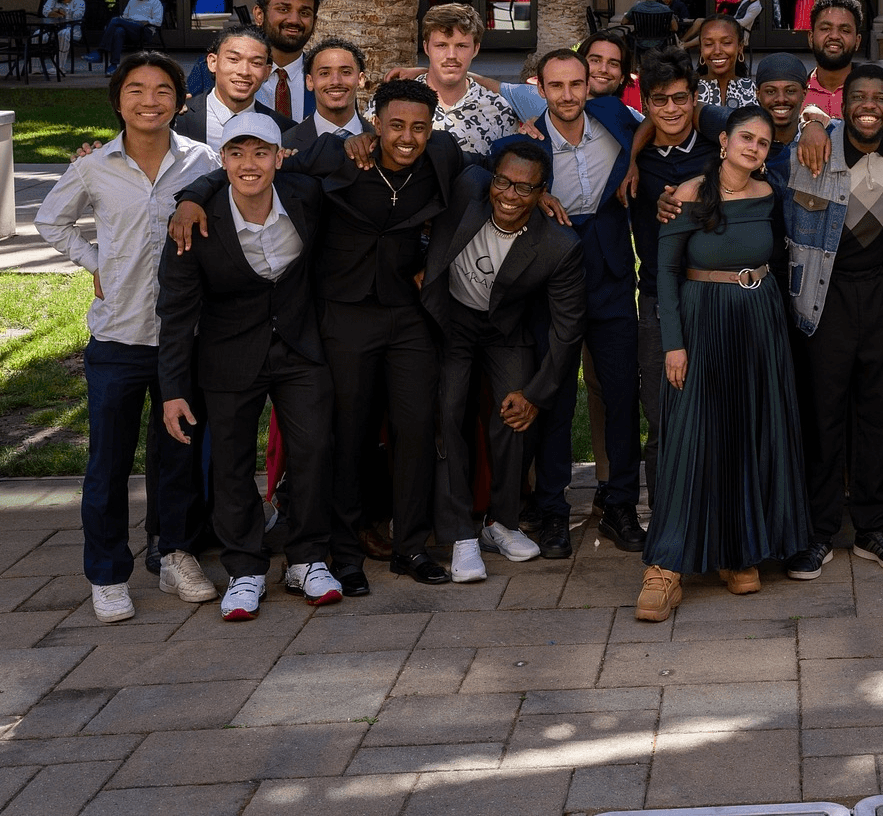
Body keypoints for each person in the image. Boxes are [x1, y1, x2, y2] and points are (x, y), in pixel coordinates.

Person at [177, 78, 470, 592]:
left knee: (416, 428)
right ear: (375, 123)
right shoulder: (338, 154)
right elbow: (256, 168)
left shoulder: (442, 153)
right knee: (348, 433)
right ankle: (345, 551)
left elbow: (487, 174)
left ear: (432, 128)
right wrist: (192, 195)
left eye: (419, 127)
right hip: (344, 313)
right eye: (396, 125)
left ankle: (411, 547)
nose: (407, 137)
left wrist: (541, 200)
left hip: (408, 314)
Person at [35, 54, 218, 623]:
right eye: (136, 90)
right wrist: (99, 264)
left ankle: (175, 555)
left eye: (163, 90)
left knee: (179, 459)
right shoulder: (95, 167)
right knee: (108, 464)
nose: (149, 101)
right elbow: (50, 221)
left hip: (184, 339)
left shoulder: (203, 161)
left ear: (180, 102)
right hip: (118, 337)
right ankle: (108, 574)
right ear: (118, 101)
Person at [155, 111, 340, 619]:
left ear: (280, 158)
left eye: (261, 152)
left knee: (314, 449)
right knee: (231, 463)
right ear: (223, 160)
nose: (249, 164)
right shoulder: (194, 222)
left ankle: (307, 558)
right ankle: (245, 568)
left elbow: (339, 157)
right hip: (229, 354)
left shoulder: (305, 195)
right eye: (236, 153)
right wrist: (173, 390)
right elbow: (175, 311)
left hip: (299, 348)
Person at [639, 106, 807, 615]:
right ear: (724, 141)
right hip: (702, 320)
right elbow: (664, 274)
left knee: (747, 433)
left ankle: (738, 553)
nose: (754, 147)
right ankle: (665, 568)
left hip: (759, 321)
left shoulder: (768, 193)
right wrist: (674, 344)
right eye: (746, 138)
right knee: (693, 436)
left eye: (763, 142)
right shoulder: (686, 196)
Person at [781, 65, 883, 577]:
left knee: (878, 413)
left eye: (880, 98)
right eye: (859, 97)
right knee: (823, 415)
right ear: (842, 105)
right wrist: (811, 120)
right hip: (824, 296)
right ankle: (818, 532)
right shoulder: (810, 149)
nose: (870, 106)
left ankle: (872, 527)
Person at [419, 139, 586, 582]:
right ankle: (460, 533)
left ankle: (501, 522)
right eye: (504, 182)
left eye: (525, 188)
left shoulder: (559, 245)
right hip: (452, 319)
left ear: (543, 193)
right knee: (448, 410)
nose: (509, 195)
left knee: (514, 411)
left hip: (504, 330)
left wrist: (536, 395)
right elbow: (443, 150)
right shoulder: (469, 186)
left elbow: (567, 330)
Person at [533, 49, 645, 556]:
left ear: (589, 85)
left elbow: (662, 121)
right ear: (540, 89)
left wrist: (634, 161)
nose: (567, 95)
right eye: (556, 86)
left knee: (621, 393)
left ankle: (620, 503)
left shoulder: (613, 116)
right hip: (552, 281)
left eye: (576, 84)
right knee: (555, 396)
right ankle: (552, 510)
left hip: (612, 275)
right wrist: (533, 193)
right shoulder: (526, 141)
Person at [629, 53, 729, 505]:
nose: (671, 109)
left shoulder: (719, 151)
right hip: (656, 297)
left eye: (680, 98)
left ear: (694, 98)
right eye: (659, 100)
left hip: (714, 293)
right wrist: (632, 157)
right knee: (661, 412)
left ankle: (717, 515)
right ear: (646, 104)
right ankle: (666, 517)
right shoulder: (633, 155)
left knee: (720, 411)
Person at [188, 0, 324, 124]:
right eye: (283, 9)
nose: (294, 20)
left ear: (314, 21)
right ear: (259, 15)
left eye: (304, 13)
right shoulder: (210, 70)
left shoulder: (326, 77)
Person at [420, 3, 521, 156]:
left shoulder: (498, 109)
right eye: (441, 45)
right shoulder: (398, 100)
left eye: (461, 46)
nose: (451, 55)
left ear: (475, 49)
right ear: (426, 48)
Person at [172, 25, 285, 151]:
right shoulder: (176, 117)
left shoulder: (283, 128)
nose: (244, 71)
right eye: (234, 59)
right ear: (213, 62)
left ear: (267, 72)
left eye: (256, 63)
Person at [283, 38, 369, 149]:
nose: (335, 81)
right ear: (310, 81)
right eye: (324, 73)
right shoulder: (285, 144)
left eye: (346, 72)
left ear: (360, 79)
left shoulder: (380, 139)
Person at [753, 53, 810, 188]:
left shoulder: (819, 141)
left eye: (790, 91)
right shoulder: (747, 145)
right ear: (758, 94)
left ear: (804, 93)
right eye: (770, 92)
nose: (781, 99)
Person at [802, 0, 864, 118]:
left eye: (845, 30)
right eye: (825, 29)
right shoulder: (796, 94)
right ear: (811, 38)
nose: (834, 36)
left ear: (857, 42)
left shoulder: (874, 94)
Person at [101, 0, 166, 65]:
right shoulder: (132, 1)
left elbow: (158, 22)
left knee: (115, 20)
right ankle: (113, 64)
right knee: (119, 31)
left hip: (145, 30)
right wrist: (127, 22)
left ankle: (100, 51)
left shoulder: (155, 2)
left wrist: (145, 22)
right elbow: (125, 16)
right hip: (129, 29)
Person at [696, 17, 757, 108]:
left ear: (740, 47)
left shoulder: (755, 91)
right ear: (701, 49)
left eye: (726, 43)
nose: (717, 51)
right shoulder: (690, 91)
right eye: (708, 44)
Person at [581, 30, 643, 112]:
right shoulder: (565, 113)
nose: (603, 69)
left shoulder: (631, 117)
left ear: (622, 76)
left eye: (613, 64)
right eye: (595, 61)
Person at [42, 0, 85, 69]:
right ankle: (36, 68)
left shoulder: (80, 2)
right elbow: (45, 11)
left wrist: (58, 12)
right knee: (37, 34)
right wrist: (58, 12)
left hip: (72, 30)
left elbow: (77, 16)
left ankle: (59, 67)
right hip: (52, 30)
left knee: (63, 34)